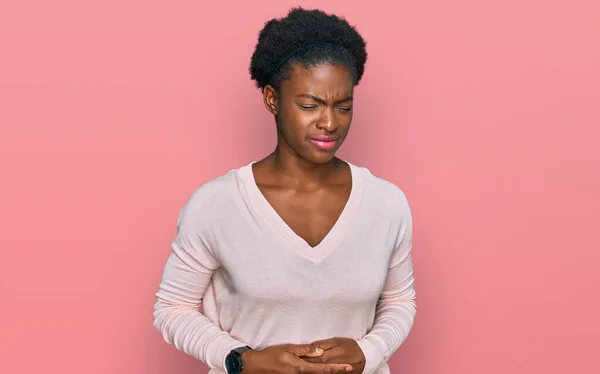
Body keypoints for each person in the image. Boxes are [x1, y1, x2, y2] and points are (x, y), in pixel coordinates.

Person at [153, 7, 416, 374]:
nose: (329, 123)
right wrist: (241, 359)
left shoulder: (386, 203)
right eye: (310, 105)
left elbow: (400, 301)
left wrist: (369, 352)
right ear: (272, 99)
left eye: (344, 106)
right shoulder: (217, 204)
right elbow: (172, 308)